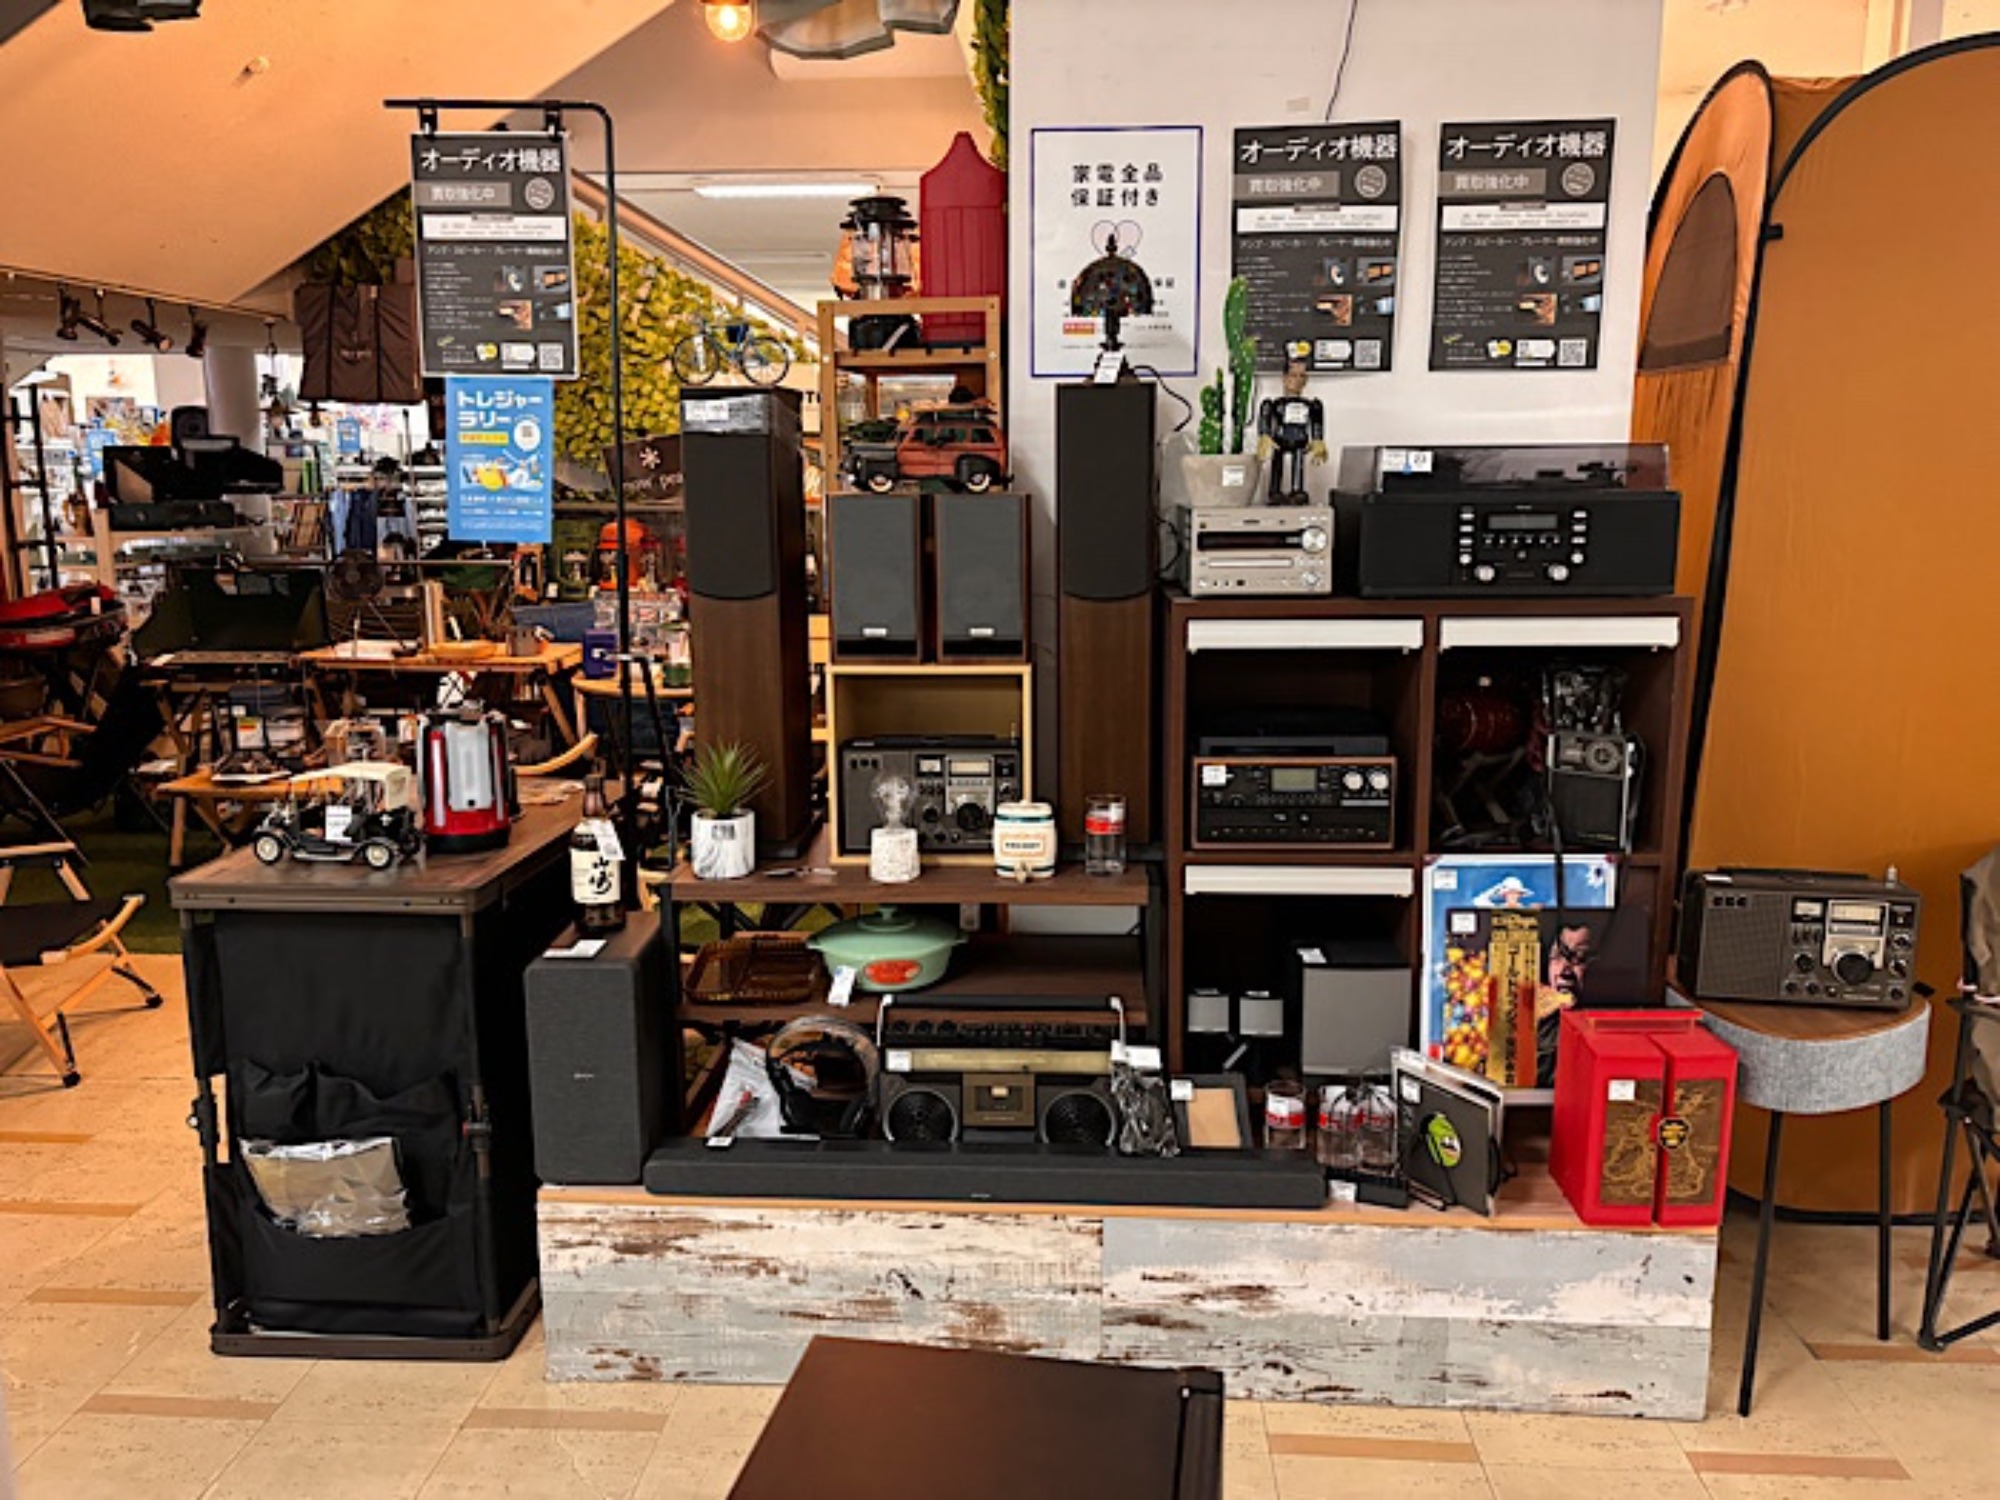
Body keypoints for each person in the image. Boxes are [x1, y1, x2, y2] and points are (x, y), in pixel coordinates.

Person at [1255, 344, 1327, 504]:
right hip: (1280, 438)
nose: (1297, 380)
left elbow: (1316, 421)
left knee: (1298, 464)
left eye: (1302, 376)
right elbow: (1266, 417)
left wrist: (1318, 440)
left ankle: (1297, 489)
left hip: (1300, 439)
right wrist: (1265, 435)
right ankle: (1275, 490)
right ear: (1285, 378)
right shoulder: (1276, 404)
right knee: (1277, 463)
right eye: (1293, 375)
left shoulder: (1311, 405)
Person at [1534, 916, 1600, 1086]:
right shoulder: (1538, 1021)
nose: (1564, 970)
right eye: (1557, 957)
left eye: (1579, 957)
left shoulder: (1601, 1026)